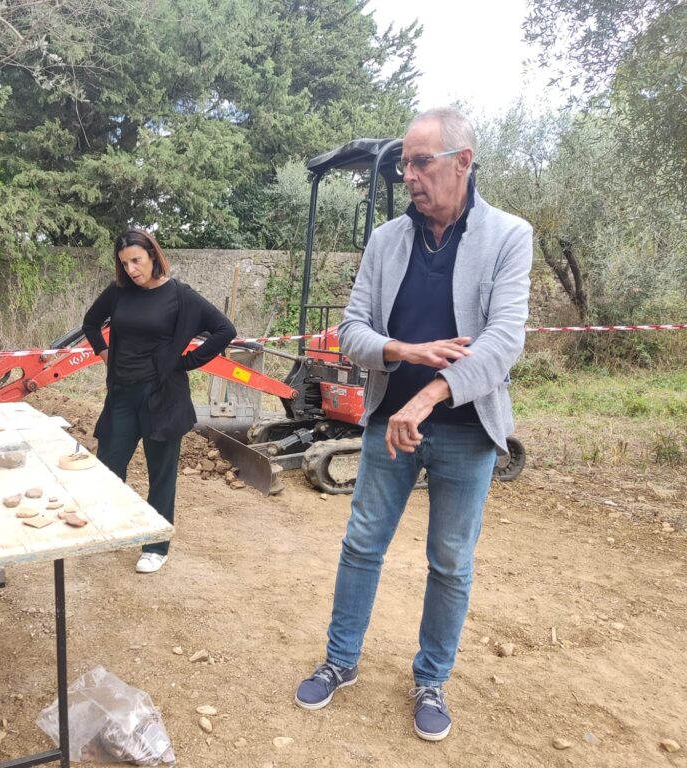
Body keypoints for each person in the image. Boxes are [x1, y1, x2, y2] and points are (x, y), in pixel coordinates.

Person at [294, 108, 532, 741]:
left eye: (422, 162)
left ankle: (431, 679)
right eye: (405, 165)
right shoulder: (386, 240)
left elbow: (504, 341)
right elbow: (352, 330)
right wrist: (402, 350)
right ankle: (340, 661)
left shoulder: (508, 236)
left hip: (466, 431)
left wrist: (429, 395)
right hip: (387, 426)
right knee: (361, 546)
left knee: (450, 563)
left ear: (463, 162)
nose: (410, 176)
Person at [82, 229, 236, 574]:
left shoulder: (180, 296)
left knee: (161, 474)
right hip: (122, 395)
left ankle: (155, 546)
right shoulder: (119, 292)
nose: (131, 269)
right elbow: (90, 324)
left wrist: (187, 362)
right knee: (108, 466)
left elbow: (225, 330)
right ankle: (113, 529)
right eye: (125, 263)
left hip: (162, 397)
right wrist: (105, 355)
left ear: (153, 255)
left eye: (136, 260)